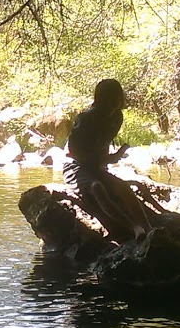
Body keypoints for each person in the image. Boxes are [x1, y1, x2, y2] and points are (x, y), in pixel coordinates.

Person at [66, 79, 154, 242]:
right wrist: (104, 160)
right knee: (97, 187)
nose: (115, 102)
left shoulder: (116, 117)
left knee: (122, 188)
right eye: (110, 98)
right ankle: (134, 227)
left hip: (97, 165)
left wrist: (105, 162)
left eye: (118, 97)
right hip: (77, 167)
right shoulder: (85, 118)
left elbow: (103, 145)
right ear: (101, 99)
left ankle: (148, 227)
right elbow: (73, 152)